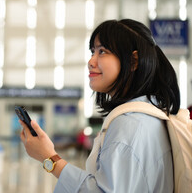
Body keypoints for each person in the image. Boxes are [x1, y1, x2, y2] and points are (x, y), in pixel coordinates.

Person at [19, 19, 178, 192]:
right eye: (93, 51)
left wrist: (48, 158)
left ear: (133, 62)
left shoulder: (129, 124)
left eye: (102, 51)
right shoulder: (149, 115)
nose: (91, 61)